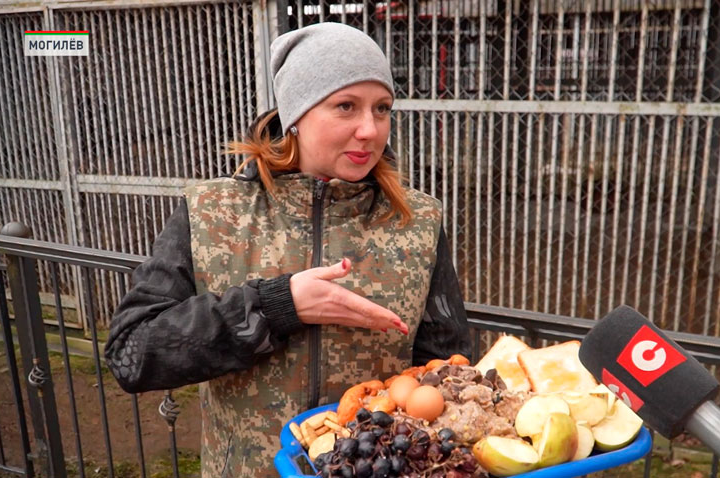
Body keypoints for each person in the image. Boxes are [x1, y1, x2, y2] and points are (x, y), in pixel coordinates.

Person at [104, 22, 472, 477]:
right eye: (345, 106)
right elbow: (132, 353)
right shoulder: (212, 212)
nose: (369, 130)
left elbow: (446, 368)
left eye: (382, 108)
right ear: (295, 114)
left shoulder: (416, 221)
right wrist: (277, 305)